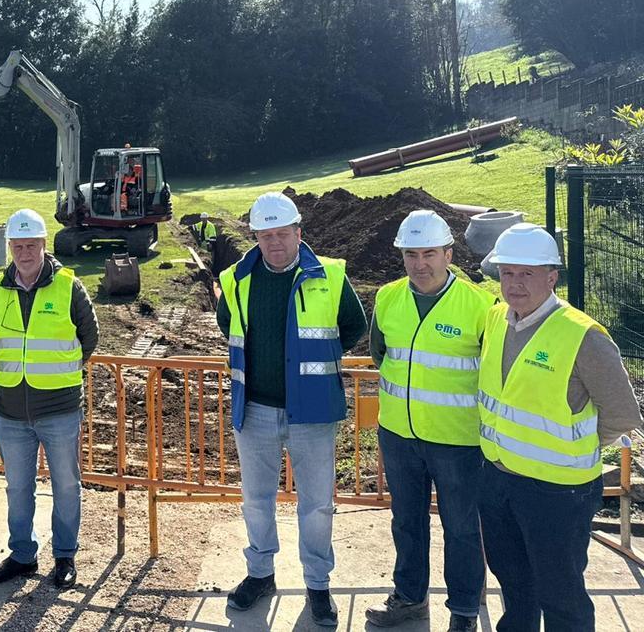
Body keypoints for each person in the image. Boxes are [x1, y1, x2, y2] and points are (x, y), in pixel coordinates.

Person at [478, 223, 642, 631]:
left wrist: (572, 446)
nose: (514, 284)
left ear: (552, 277)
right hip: (499, 480)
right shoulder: (498, 317)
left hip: (557, 494)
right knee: (515, 586)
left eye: (527, 274)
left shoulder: (583, 336)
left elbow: (622, 415)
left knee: (561, 595)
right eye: (507, 273)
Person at [216, 191, 368, 627]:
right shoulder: (238, 278)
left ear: (298, 234)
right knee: (256, 501)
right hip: (256, 410)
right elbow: (228, 325)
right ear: (256, 238)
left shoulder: (329, 275)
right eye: (266, 236)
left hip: (313, 413)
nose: (275, 243)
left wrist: (314, 366)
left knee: (317, 505)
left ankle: (318, 585)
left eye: (282, 234)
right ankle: (260, 574)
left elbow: (353, 326)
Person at [365, 211, 495, 632]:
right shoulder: (387, 299)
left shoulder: (480, 306)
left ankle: (463, 612)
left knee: (461, 529)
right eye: (411, 254)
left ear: (448, 254)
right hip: (400, 436)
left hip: (457, 441)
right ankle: (409, 599)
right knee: (406, 521)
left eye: (429, 253)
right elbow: (380, 355)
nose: (420, 263)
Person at [0, 208, 99, 590]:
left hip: (60, 409)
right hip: (10, 410)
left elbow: (89, 336)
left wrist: (62, 375)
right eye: (18, 246)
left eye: (32, 245)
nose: (25, 253)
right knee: (17, 487)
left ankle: (64, 556)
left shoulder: (69, 286)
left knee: (65, 486)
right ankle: (22, 555)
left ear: (44, 246)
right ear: (9, 248)